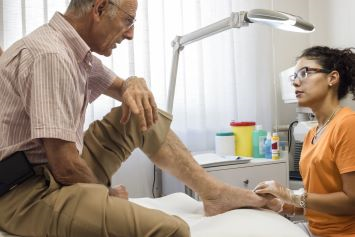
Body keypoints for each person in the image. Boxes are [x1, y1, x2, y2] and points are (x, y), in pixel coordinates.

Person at [0, 0, 268, 236]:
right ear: (100, 8)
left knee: (137, 112)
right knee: (173, 230)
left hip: (54, 169)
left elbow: (121, 87)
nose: (130, 34)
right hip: (26, 193)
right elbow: (65, 166)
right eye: (128, 21)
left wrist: (133, 83)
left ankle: (214, 193)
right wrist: (106, 195)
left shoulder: (73, 51)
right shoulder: (51, 56)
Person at [254, 46, 355, 237]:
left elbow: (351, 201)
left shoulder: (348, 125)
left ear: (332, 78)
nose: (296, 82)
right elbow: (320, 198)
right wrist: (284, 206)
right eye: (294, 76)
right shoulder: (312, 134)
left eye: (305, 72)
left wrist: (291, 195)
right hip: (314, 229)